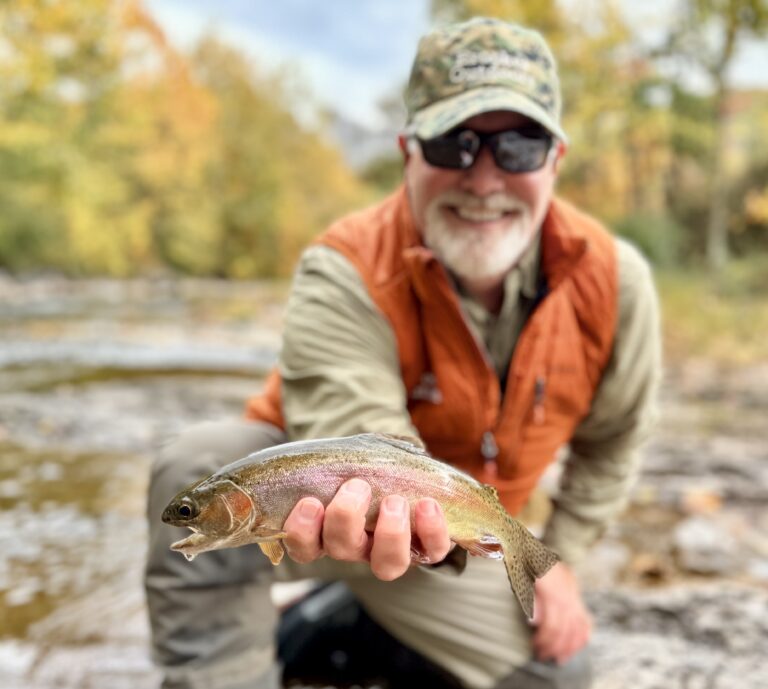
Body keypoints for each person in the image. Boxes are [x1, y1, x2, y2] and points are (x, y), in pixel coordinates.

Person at [145, 16, 661, 689]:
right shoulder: (345, 265)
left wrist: (565, 559)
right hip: (324, 514)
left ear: (555, 160)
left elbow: (613, 444)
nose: (482, 178)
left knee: (560, 669)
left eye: (518, 146)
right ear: (408, 151)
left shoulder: (614, 284)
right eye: (455, 143)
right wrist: (397, 508)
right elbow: (362, 441)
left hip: (455, 536)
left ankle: (357, 619)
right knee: (194, 461)